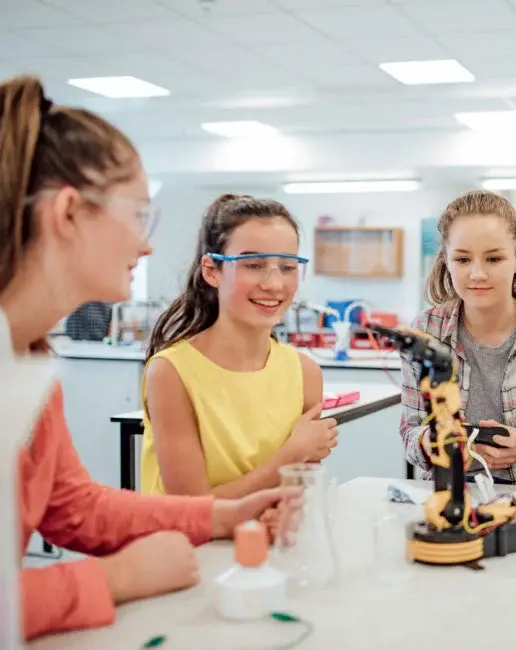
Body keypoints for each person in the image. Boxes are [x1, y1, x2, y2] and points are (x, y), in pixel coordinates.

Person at [0, 75, 297, 641]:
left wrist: (221, 517)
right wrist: (114, 578)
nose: (148, 244)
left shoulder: (29, 356)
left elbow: (74, 506)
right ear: (68, 213)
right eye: (138, 215)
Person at [140, 194, 337, 497]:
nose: (274, 284)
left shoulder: (305, 372)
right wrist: (290, 455)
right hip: (186, 544)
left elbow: (299, 492)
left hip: (271, 541)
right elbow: (190, 508)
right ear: (212, 271)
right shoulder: (171, 372)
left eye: (287, 267)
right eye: (254, 265)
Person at [400, 189, 516, 484]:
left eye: (494, 258)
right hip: (445, 502)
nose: (477, 274)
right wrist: (438, 443)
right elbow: (411, 435)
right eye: (462, 259)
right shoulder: (424, 334)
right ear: (446, 261)